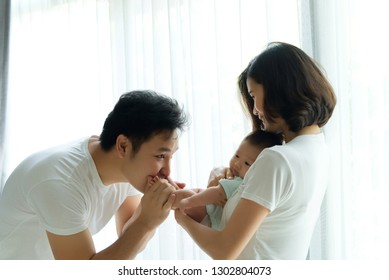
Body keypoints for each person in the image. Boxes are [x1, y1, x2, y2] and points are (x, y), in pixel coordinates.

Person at [175, 42, 337, 259]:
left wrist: (181, 218)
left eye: (253, 95)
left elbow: (225, 251)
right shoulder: (317, 149)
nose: (254, 109)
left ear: (279, 91)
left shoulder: (276, 160)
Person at [0, 90, 188, 260]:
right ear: (123, 145)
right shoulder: (60, 183)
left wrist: (152, 209)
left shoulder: (128, 167)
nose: (168, 171)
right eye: (161, 156)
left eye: (171, 156)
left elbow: (128, 235)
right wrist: (147, 221)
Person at [173, 130, 282, 230]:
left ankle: (163, 193)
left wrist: (188, 202)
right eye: (237, 155)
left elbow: (218, 193)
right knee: (183, 192)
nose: (237, 164)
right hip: (212, 213)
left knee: (182, 196)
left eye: (247, 163)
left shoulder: (240, 184)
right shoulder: (236, 177)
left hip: (211, 218)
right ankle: (167, 185)